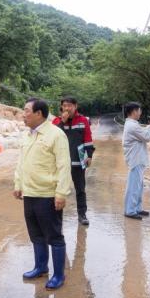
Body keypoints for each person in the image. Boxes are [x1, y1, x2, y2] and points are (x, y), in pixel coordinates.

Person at [13, 98, 72, 290]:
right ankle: (40, 267)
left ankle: (59, 275)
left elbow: (64, 166)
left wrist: (61, 193)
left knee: (54, 236)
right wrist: (18, 183)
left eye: (26, 110)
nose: (23, 114)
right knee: (36, 235)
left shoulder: (56, 135)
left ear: (39, 114)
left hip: (48, 194)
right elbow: (21, 162)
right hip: (29, 193)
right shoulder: (27, 135)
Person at [52, 96, 95, 225]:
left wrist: (89, 155)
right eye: (64, 105)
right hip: (59, 161)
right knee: (56, 188)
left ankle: (82, 215)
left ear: (75, 106)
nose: (67, 108)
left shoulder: (83, 120)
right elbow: (52, 137)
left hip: (78, 159)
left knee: (80, 189)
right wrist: (61, 123)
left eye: (69, 105)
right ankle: (55, 215)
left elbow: (88, 138)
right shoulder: (56, 121)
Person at [122, 102, 150, 220]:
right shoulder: (132, 126)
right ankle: (130, 211)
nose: (140, 113)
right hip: (135, 159)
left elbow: (143, 133)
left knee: (139, 186)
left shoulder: (133, 124)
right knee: (134, 186)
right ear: (134, 111)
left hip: (138, 159)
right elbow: (146, 137)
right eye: (139, 110)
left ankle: (137, 208)